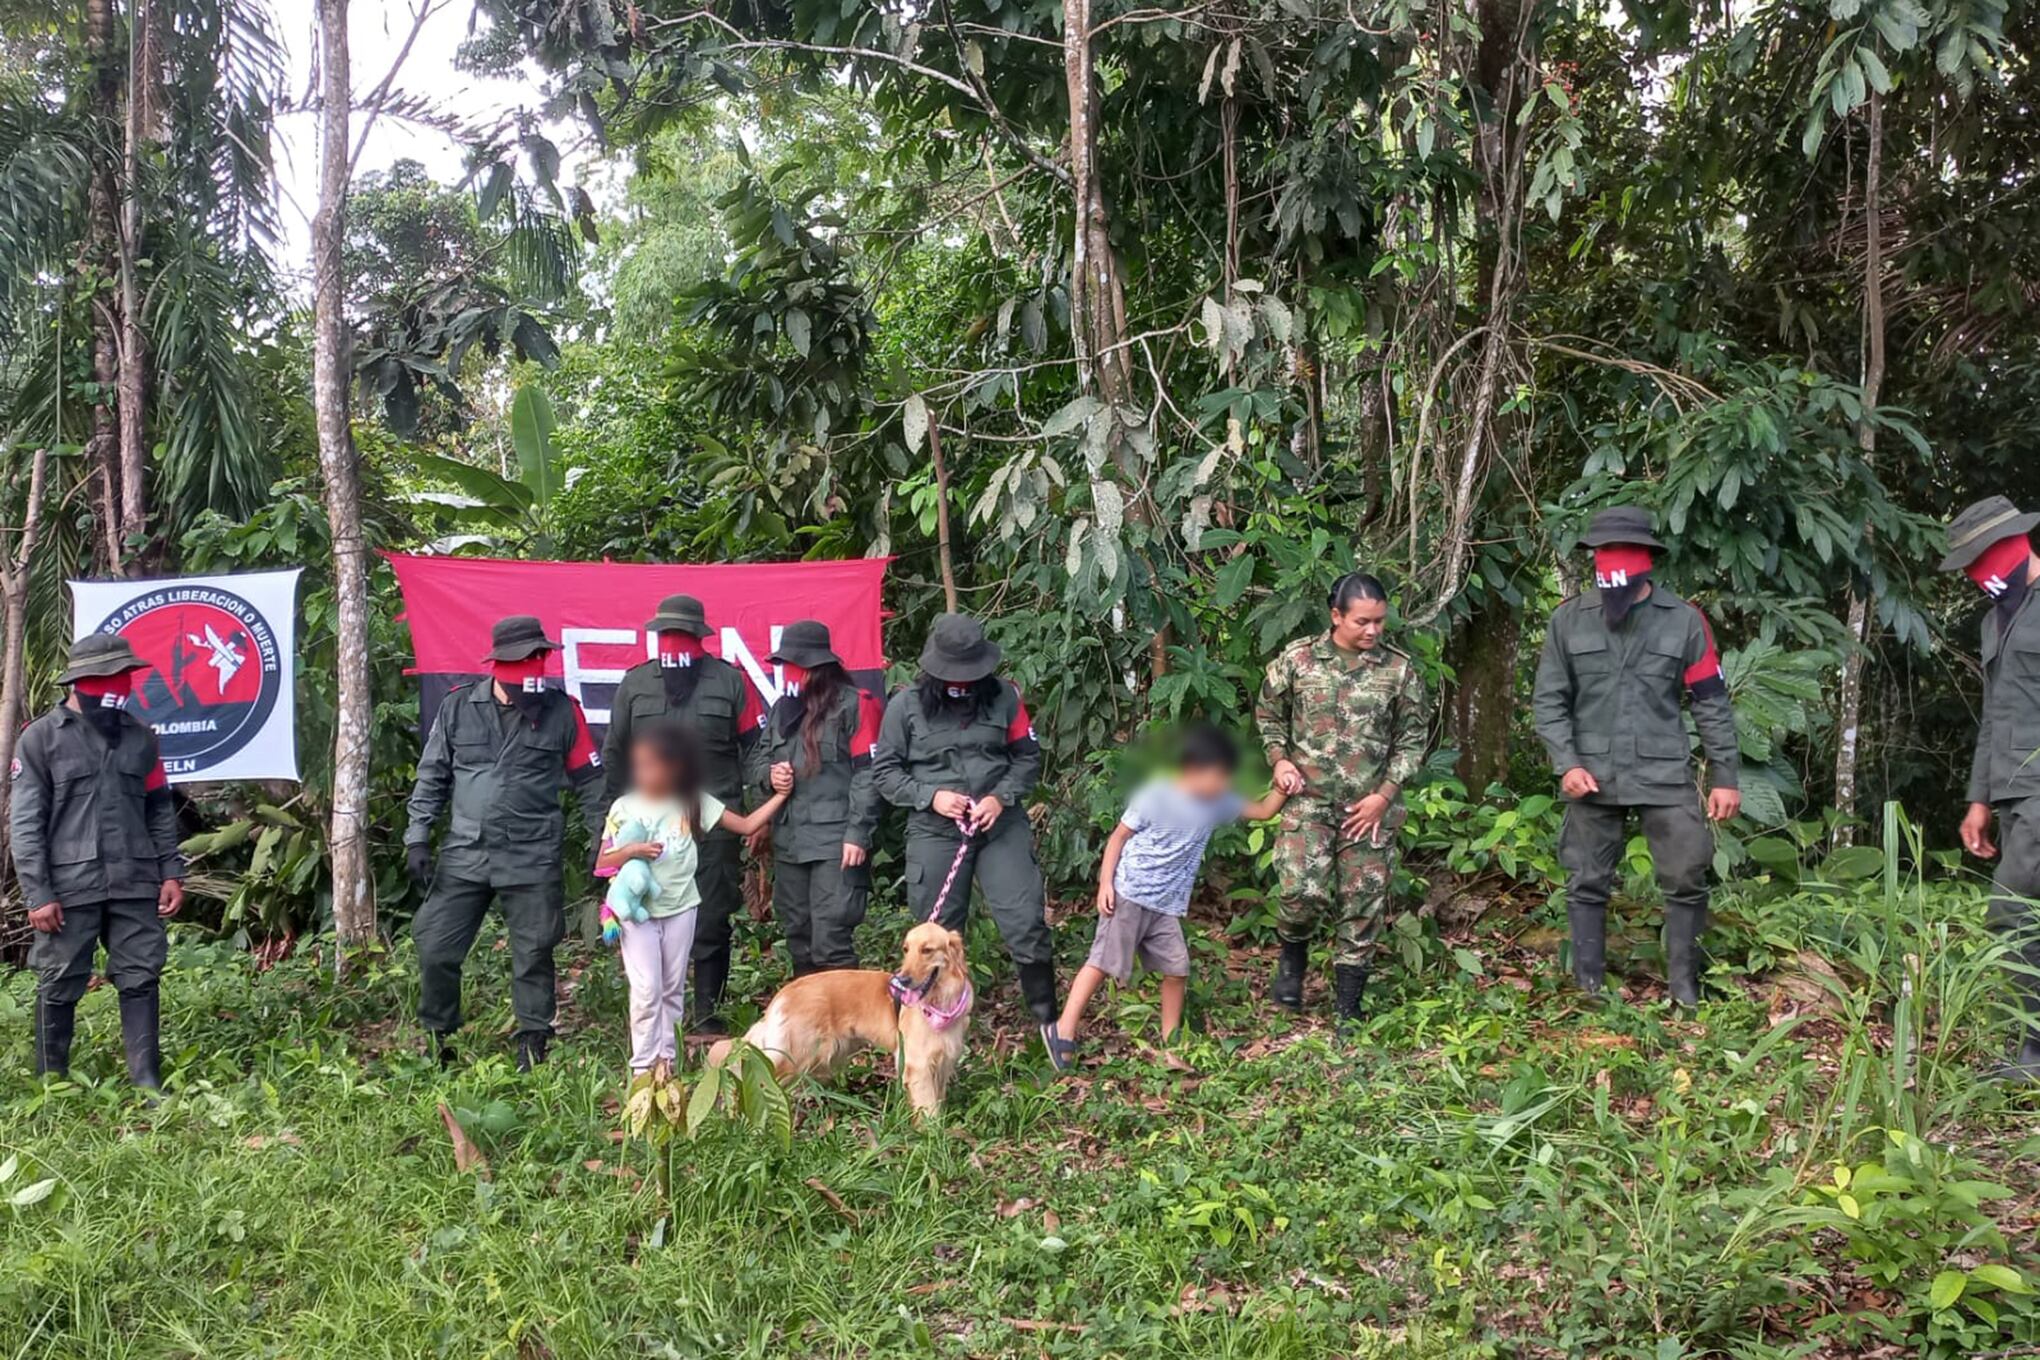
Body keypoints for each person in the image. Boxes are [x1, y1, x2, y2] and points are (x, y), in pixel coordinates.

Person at [1531, 505, 1740, 1008]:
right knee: (1586, 878)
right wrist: (1568, 763)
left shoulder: (1685, 622)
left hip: (1663, 769)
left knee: (1687, 873)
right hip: (1591, 771)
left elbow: (1710, 702)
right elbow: (1549, 700)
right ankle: (1589, 987)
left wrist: (1725, 775)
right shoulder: (1569, 621)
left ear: (1647, 562)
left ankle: (1684, 989)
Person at [405, 615, 606, 1070]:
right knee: (436, 946)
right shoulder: (458, 708)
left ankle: (531, 1045)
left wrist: (602, 841)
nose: (535, 666)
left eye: (541, 656)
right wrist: (418, 836)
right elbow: (432, 775)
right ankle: (440, 1040)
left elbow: (591, 781)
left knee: (534, 952)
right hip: (466, 854)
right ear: (499, 663)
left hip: (532, 854)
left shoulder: (561, 711)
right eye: (526, 659)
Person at [871, 614, 1061, 1058]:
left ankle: (1048, 1021)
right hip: (936, 828)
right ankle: (930, 1036)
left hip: (999, 824)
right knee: (935, 934)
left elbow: (1027, 758)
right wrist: (931, 795)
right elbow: (884, 771)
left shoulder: (1006, 698)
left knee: (1024, 919)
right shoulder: (905, 706)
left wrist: (1001, 796)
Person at [1045, 724, 1290, 1066]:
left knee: (1177, 969)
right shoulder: (1156, 794)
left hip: (1166, 905)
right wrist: (1105, 884)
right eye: (1219, 776)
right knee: (1102, 962)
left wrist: (1282, 787)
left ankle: (1170, 1044)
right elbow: (1117, 838)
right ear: (1192, 769)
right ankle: (1063, 1029)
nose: (1224, 785)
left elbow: (1264, 811)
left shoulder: (1217, 801)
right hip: (1129, 893)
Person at [10, 634, 186, 1088]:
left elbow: (159, 810)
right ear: (82, 681)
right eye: (110, 677)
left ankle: (147, 1082)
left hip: (135, 880)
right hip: (69, 888)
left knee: (141, 975)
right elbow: (26, 824)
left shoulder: (141, 738)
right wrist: (39, 893)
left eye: (125, 676)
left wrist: (171, 872)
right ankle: (52, 1083)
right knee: (60, 980)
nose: (121, 685)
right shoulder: (40, 739)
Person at [1254, 573, 1431, 1022]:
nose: (1373, 631)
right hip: (1307, 803)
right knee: (1300, 892)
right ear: (1336, 616)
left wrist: (1385, 796)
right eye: (1362, 622)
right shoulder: (1298, 660)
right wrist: (1279, 760)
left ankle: (1348, 1008)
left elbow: (1413, 742)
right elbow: (1268, 713)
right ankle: (1292, 961)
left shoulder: (1399, 670)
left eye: (1379, 622)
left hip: (1368, 809)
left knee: (1361, 905)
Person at [601, 594, 765, 1035]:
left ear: (699, 639)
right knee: (646, 914)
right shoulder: (635, 685)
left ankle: (707, 1016)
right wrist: (613, 827)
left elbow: (754, 749)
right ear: (656, 639)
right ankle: (651, 1015)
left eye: (683, 638)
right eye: (666, 637)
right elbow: (614, 756)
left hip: (711, 823)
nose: (675, 646)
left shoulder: (731, 682)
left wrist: (761, 805)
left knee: (711, 916)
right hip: (647, 831)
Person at [599, 724, 791, 1074]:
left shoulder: (693, 802)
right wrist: (632, 850)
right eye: (638, 766)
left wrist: (780, 797)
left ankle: (667, 1066)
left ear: (674, 767)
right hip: (636, 913)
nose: (643, 773)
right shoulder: (623, 807)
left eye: (651, 765)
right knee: (646, 990)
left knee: (672, 990)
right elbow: (603, 862)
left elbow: (747, 826)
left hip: (681, 908)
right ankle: (643, 1070)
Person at [1943, 495, 2040, 1082]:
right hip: (2010, 790)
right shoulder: (1994, 619)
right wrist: (1979, 800)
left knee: (2012, 912)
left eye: (1981, 560)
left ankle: (2035, 1052)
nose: (1977, 575)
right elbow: (1994, 713)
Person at [745, 620, 886, 974]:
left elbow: (869, 774)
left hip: (835, 841)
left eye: (794, 665)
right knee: (798, 935)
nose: (788, 673)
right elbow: (758, 759)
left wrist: (858, 833)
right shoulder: (782, 709)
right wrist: (770, 775)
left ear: (816, 667)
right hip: (790, 840)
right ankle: (810, 1025)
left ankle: (844, 1027)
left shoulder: (856, 706)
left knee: (832, 938)